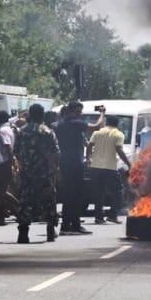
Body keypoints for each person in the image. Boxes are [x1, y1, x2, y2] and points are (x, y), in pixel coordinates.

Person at [55, 101, 103, 235]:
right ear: (70, 112)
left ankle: (70, 225)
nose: (79, 114)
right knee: (75, 195)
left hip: (65, 163)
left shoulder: (60, 125)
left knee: (70, 195)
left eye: (80, 112)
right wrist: (102, 113)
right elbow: (97, 126)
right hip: (75, 163)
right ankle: (71, 225)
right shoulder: (77, 123)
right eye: (77, 112)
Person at [15, 104, 61, 243]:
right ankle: (50, 229)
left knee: (25, 201)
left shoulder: (22, 131)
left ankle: (23, 231)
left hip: (27, 172)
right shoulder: (47, 131)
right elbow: (55, 153)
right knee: (48, 200)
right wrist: (56, 169)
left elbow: (15, 151)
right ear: (42, 115)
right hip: (44, 172)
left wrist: (21, 166)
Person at [87, 115, 132, 224]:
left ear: (107, 122)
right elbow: (119, 150)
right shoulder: (118, 134)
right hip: (110, 167)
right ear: (117, 124)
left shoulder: (97, 133)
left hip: (95, 167)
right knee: (118, 192)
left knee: (99, 193)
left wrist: (89, 158)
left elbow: (89, 145)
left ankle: (99, 217)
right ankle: (112, 215)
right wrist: (129, 163)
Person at [0, 111, 19, 226]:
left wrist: (11, 162)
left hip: (3, 164)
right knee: (0, 192)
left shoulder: (2, 131)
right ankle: (3, 215)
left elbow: (7, 147)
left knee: (0, 192)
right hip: (4, 164)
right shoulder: (8, 129)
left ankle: (4, 216)